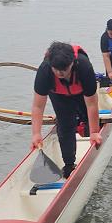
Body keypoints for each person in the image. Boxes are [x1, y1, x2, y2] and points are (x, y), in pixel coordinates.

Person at [31, 41, 103, 178]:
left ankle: (88, 136)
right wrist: (36, 133)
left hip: (82, 94)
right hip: (59, 95)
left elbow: (92, 104)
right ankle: (69, 164)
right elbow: (38, 106)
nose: (60, 73)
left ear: (72, 63)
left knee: (88, 120)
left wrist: (94, 132)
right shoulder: (45, 71)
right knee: (65, 125)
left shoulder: (84, 67)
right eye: (56, 69)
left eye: (64, 69)